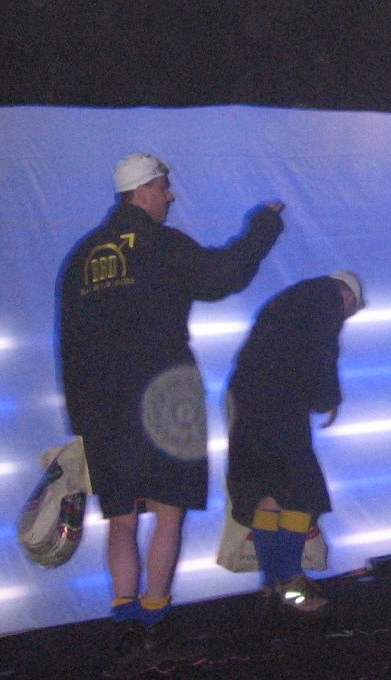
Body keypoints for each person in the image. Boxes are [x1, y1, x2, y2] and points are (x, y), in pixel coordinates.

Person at [57, 153, 284, 674]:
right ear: (142, 191)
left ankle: (126, 630)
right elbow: (224, 276)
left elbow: (69, 343)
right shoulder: (161, 244)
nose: (170, 195)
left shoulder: (82, 256)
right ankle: (156, 625)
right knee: (168, 513)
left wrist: (80, 420)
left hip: (104, 409)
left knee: (121, 519)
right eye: (164, 187)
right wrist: (263, 226)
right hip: (165, 400)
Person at [225, 270, 365, 617]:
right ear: (348, 297)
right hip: (280, 403)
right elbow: (322, 352)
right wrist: (327, 399)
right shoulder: (325, 300)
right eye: (350, 312)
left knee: (268, 492)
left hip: (247, 399)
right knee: (302, 493)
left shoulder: (290, 299)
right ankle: (291, 583)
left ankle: (270, 584)